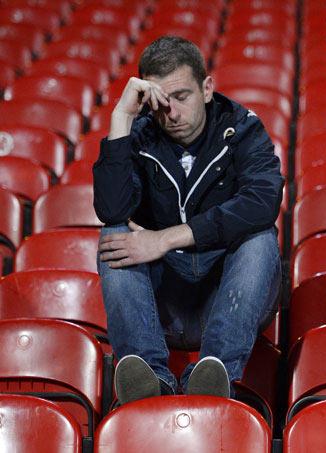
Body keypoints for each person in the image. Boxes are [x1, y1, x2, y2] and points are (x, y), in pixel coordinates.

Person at [93, 36, 283, 404]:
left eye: (182, 97)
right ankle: (150, 378)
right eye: (162, 103)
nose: (173, 114)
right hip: (164, 302)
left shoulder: (242, 128)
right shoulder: (138, 133)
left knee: (260, 239)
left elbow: (262, 202)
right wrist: (121, 119)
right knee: (114, 234)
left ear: (207, 88)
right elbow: (112, 210)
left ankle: (213, 376)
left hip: (224, 297)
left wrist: (165, 238)